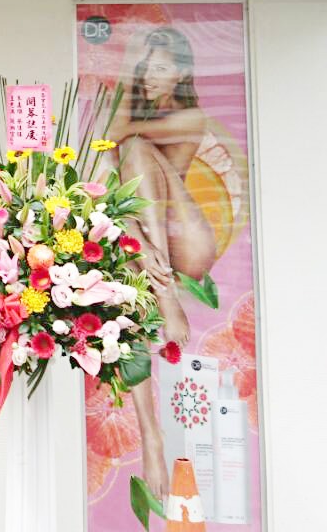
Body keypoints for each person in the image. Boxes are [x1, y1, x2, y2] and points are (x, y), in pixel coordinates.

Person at [104, 26, 224, 500]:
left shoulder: (191, 116)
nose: (148, 76)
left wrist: (124, 66)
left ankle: (167, 294)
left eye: (159, 67)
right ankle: (151, 435)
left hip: (185, 240)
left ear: (181, 73)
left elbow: (118, 134)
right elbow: (106, 162)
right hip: (150, 244)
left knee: (132, 149)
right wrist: (134, 240)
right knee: (124, 299)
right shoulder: (139, 110)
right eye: (143, 67)